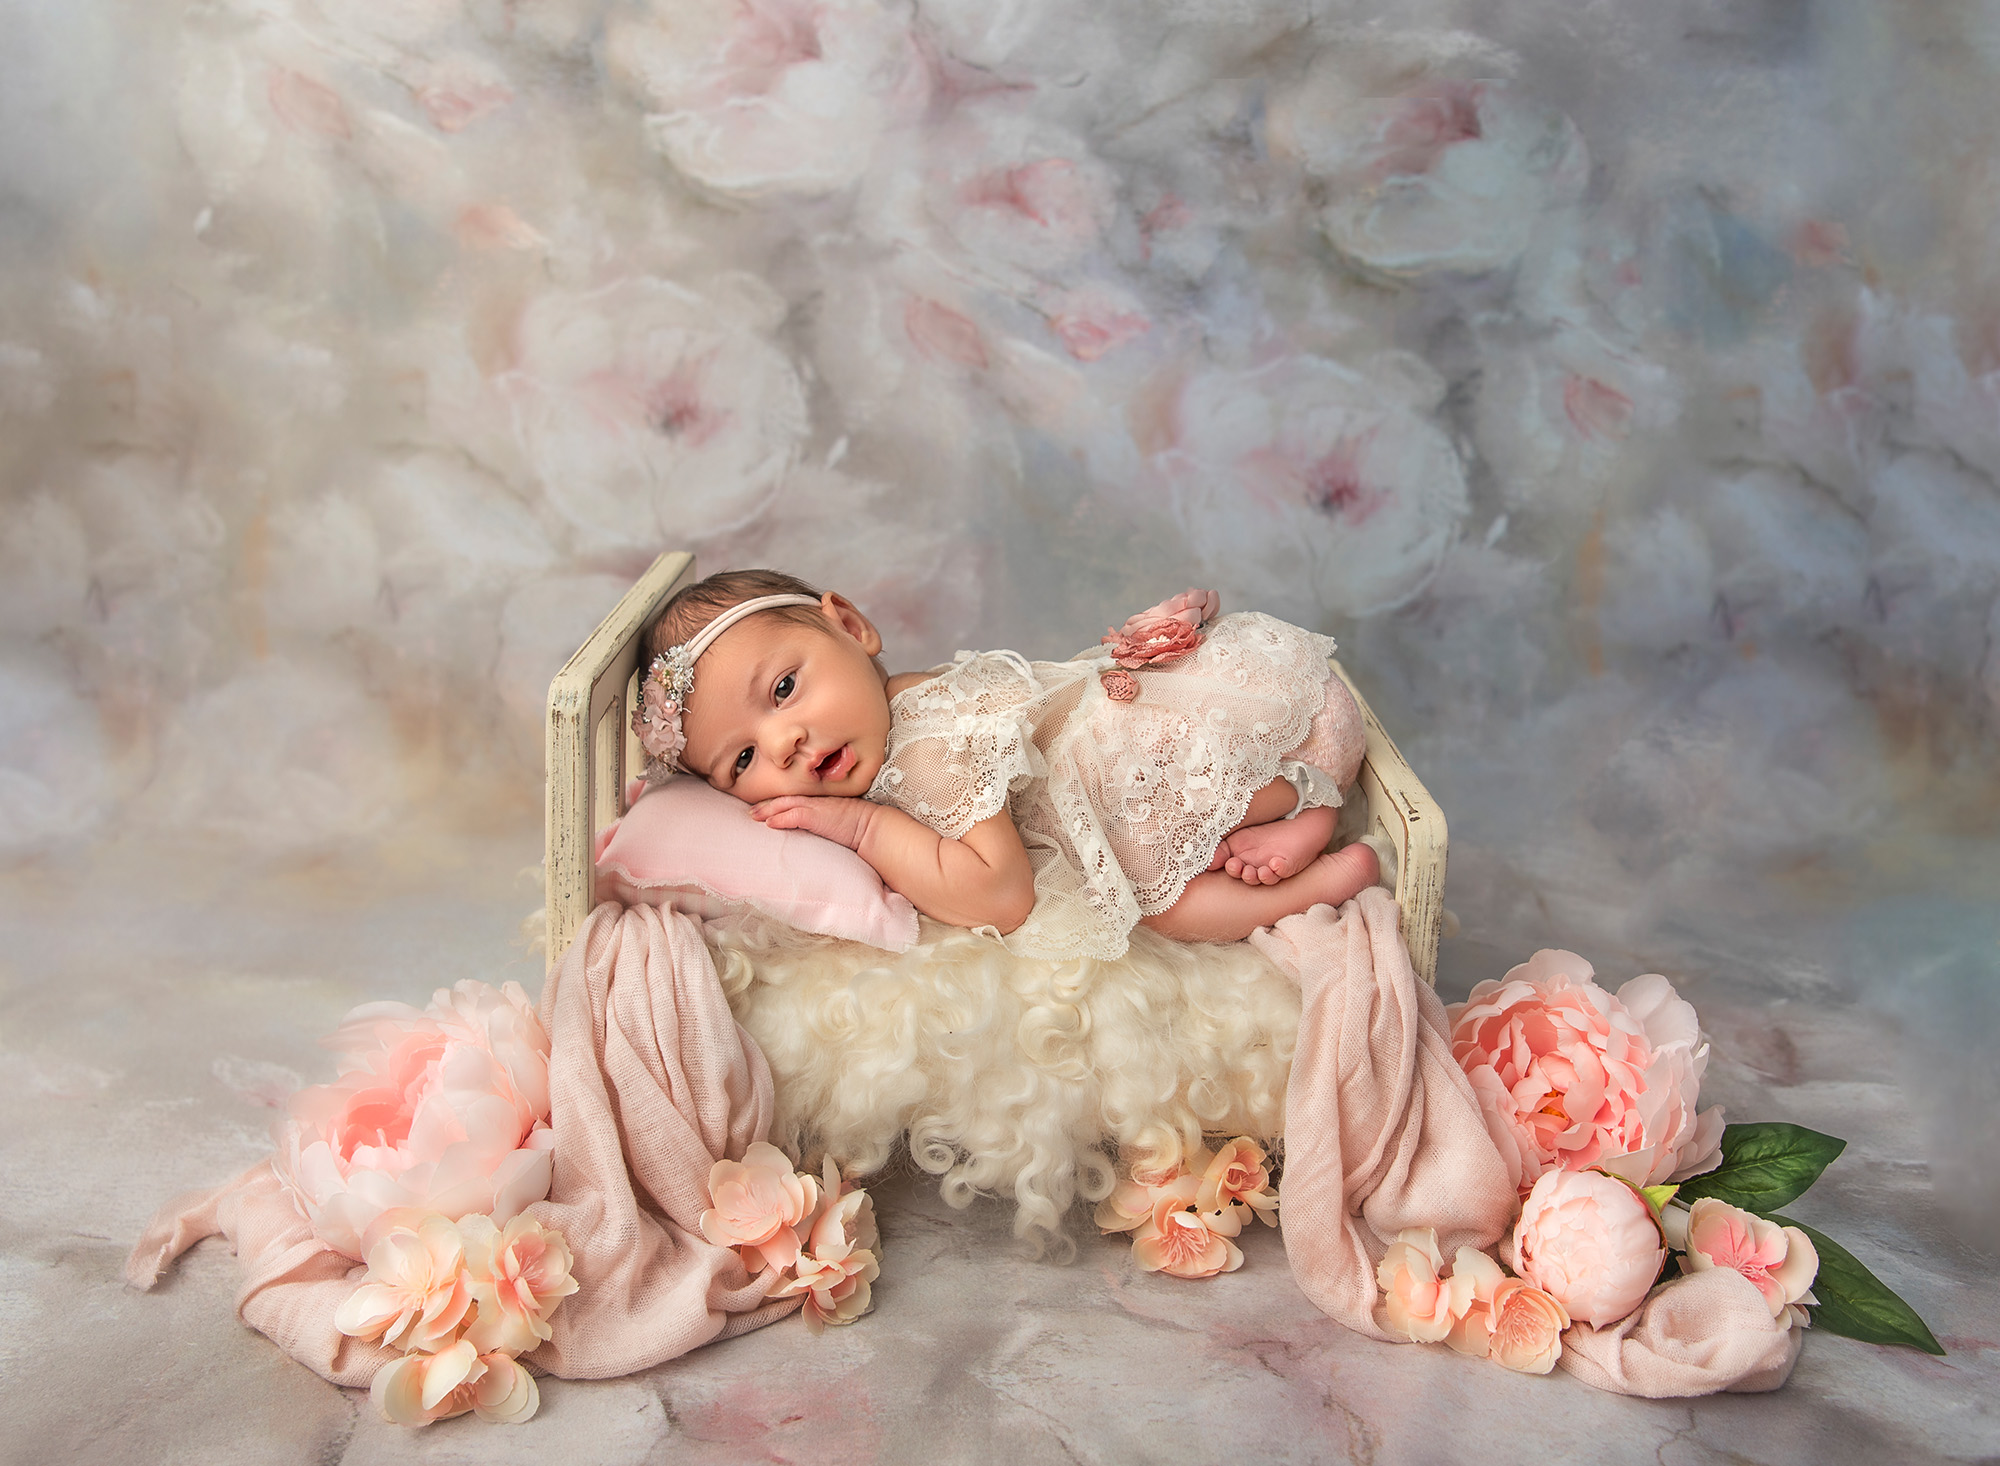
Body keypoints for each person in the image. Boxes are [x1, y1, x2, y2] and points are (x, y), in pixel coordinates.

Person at [633, 568, 1378, 959]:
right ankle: (1300, 808)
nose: (786, 743)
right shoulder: (909, 699)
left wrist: (863, 831)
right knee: (1170, 811)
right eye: (742, 759)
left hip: (1182, 748)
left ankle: (1310, 846)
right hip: (1223, 706)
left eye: (785, 689)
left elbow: (1001, 895)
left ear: (852, 626)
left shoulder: (925, 755)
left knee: (1160, 909)